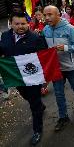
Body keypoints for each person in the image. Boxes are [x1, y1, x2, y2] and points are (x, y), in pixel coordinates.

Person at [0, 12, 47, 145]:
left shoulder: (35, 38)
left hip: (33, 77)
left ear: (27, 23)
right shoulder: (5, 36)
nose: (21, 26)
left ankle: (38, 130)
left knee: (34, 102)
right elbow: (2, 50)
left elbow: (44, 58)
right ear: (11, 24)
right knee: (26, 96)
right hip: (17, 78)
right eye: (17, 24)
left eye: (23, 23)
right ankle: (40, 106)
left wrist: (44, 79)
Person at [42, 6, 74, 131]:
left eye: (50, 14)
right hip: (55, 68)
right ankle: (63, 117)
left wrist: (65, 48)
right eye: (45, 15)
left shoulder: (69, 28)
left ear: (58, 14)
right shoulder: (46, 30)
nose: (47, 18)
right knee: (59, 93)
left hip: (70, 66)